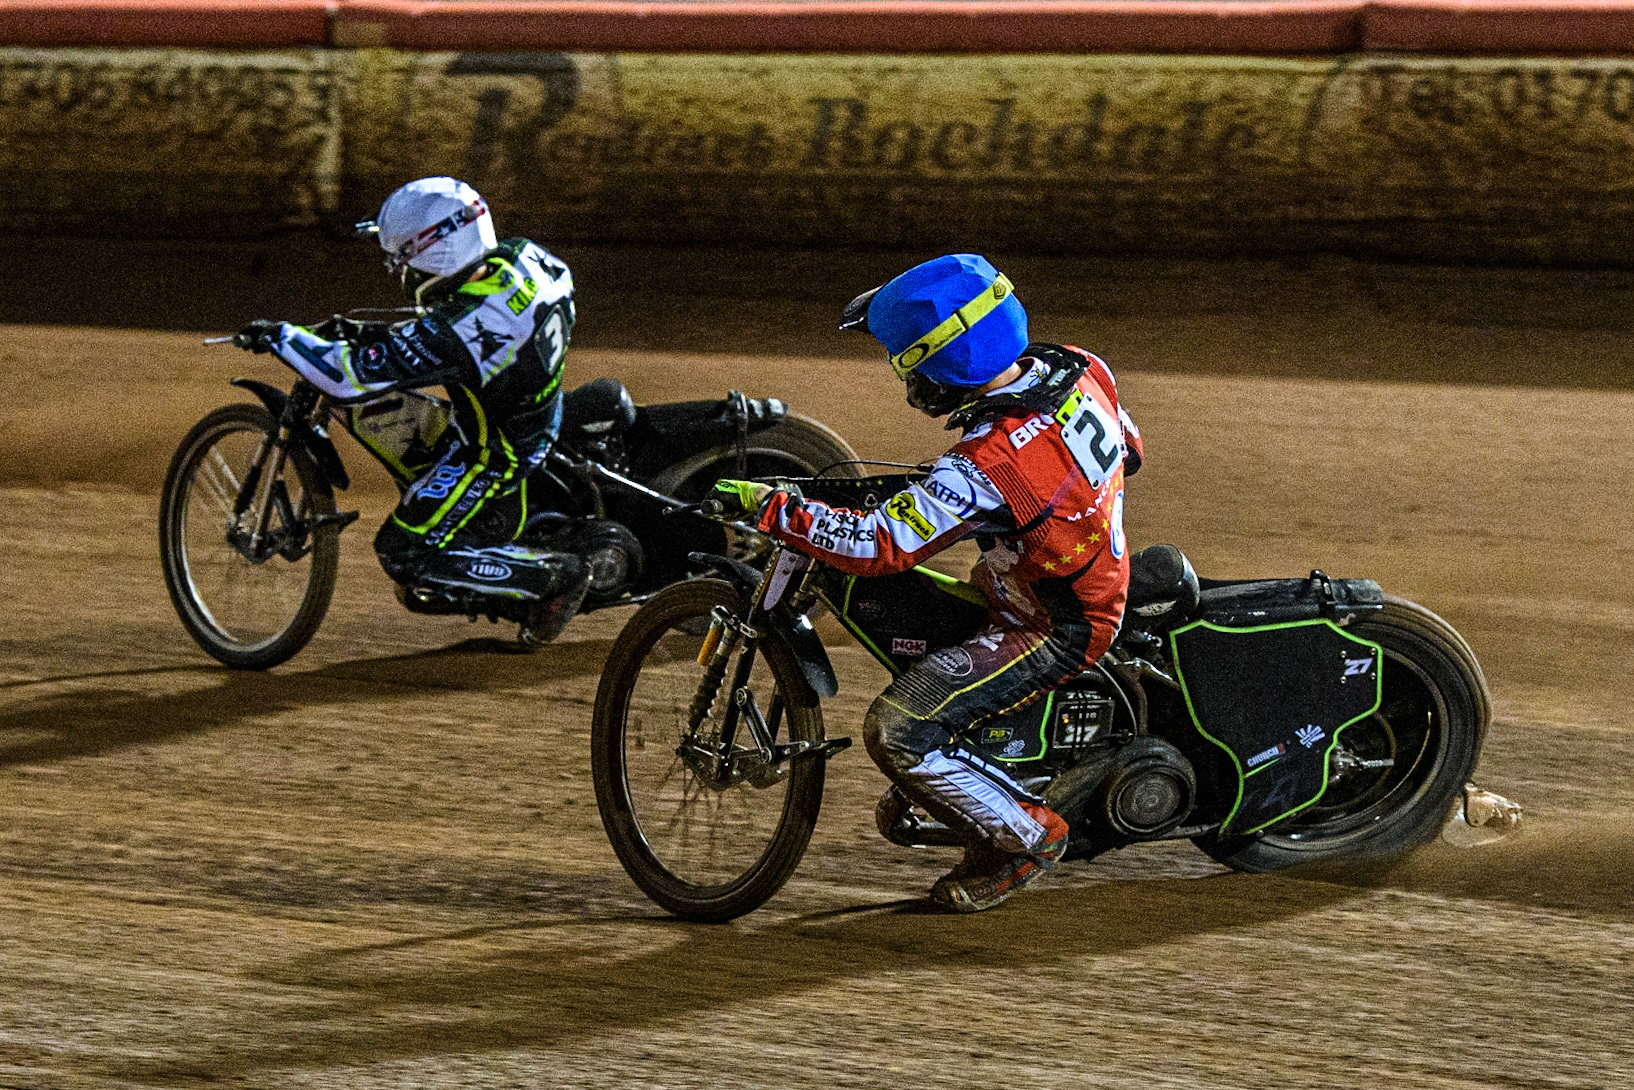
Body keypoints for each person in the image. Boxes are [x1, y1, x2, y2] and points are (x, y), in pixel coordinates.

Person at [712, 253, 1143, 912]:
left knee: (898, 729)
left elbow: (877, 543)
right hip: (1063, 574)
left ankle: (1028, 839)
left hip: (1053, 625)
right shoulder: (1077, 365)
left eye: (905, 362)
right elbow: (1131, 451)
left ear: (944, 367)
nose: (900, 375)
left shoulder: (986, 463)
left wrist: (770, 507)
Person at [233, 176, 584, 625]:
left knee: (402, 551)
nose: (401, 272)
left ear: (434, 254)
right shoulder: (526, 257)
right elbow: (450, 330)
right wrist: (375, 336)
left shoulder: (457, 332)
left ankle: (550, 580)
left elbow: (346, 377)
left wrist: (280, 336)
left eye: (402, 259)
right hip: (531, 409)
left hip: (497, 452)